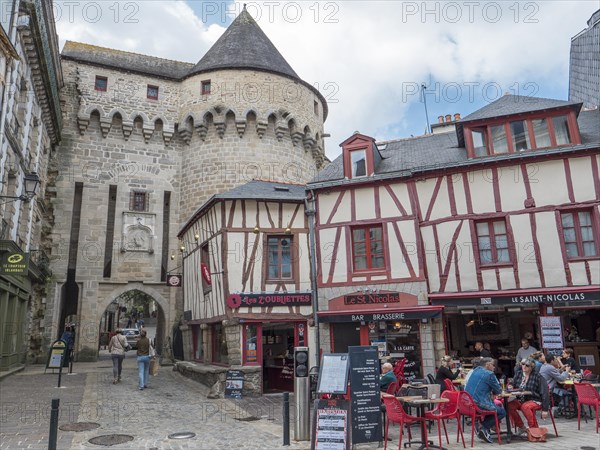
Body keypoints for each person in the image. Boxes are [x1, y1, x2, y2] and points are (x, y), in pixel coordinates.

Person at [465, 357, 506, 443]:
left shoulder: (476, 370)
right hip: (479, 403)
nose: (494, 367)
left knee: (494, 407)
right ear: (488, 365)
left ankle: (485, 430)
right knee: (502, 412)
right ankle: (483, 427)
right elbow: (498, 391)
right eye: (493, 365)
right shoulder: (489, 374)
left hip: (467, 403)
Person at [507, 358, 550, 437]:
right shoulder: (519, 374)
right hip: (520, 399)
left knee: (525, 407)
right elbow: (513, 384)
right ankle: (521, 427)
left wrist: (545, 409)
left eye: (527, 365)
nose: (524, 366)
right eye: (523, 364)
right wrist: (510, 386)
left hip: (534, 399)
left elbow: (545, 393)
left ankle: (533, 429)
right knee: (508, 405)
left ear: (531, 367)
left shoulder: (538, 376)